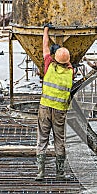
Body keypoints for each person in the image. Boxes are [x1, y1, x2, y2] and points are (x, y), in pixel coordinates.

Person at [35, 24, 73, 181]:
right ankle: (60, 172)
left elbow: (45, 46)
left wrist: (45, 30)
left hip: (44, 108)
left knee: (42, 139)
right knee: (59, 140)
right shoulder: (71, 71)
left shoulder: (49, 65)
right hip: (60, 111)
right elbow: (69, 65)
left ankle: (40, 172)